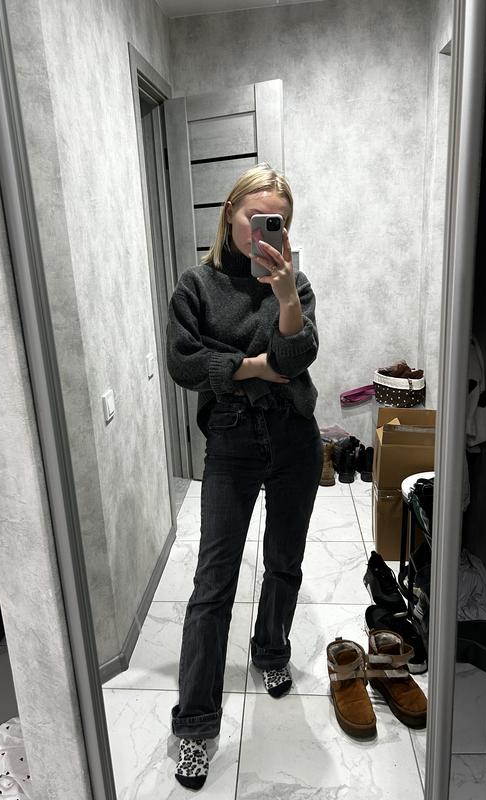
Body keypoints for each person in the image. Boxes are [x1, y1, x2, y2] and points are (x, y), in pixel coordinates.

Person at [165, 163, 323, 790]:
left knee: (284, 560)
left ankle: (272, 650)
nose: (262, 230)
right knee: (213, 581)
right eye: (253, 216)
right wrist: (251, 368)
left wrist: (285, 300)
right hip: (231, 439)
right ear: (230, 214)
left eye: (274, 221)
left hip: (293, 437)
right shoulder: (197, 285)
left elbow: (297, 358)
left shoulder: (295, 283)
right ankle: (196, 724)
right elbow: (183, 362)